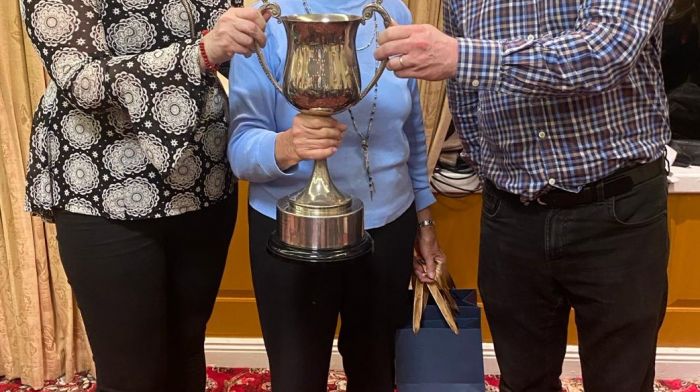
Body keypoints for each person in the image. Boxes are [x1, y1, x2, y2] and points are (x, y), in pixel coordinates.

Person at [375, 0, 672, 391]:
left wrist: (462, 55)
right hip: (511, 216)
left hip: (616, 211)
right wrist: (493, 173)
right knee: (522, 379)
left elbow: (605, 51)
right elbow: (463, 94)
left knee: (623, 380)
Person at [22, 0, 268, 390]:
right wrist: (202, 51)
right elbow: (80, 79)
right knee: (130, 372)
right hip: (103, 189)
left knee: (186, 351)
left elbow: (238, 54)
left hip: (202, 182)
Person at [227, 1, 444, 391]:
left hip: (389, 227)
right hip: (292, 234)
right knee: (297, 379)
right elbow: (241, 150)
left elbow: (411, 128)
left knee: (377, 372)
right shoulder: (266, 19)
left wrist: (424, 220)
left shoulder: (393, 13)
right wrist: (289, 145)